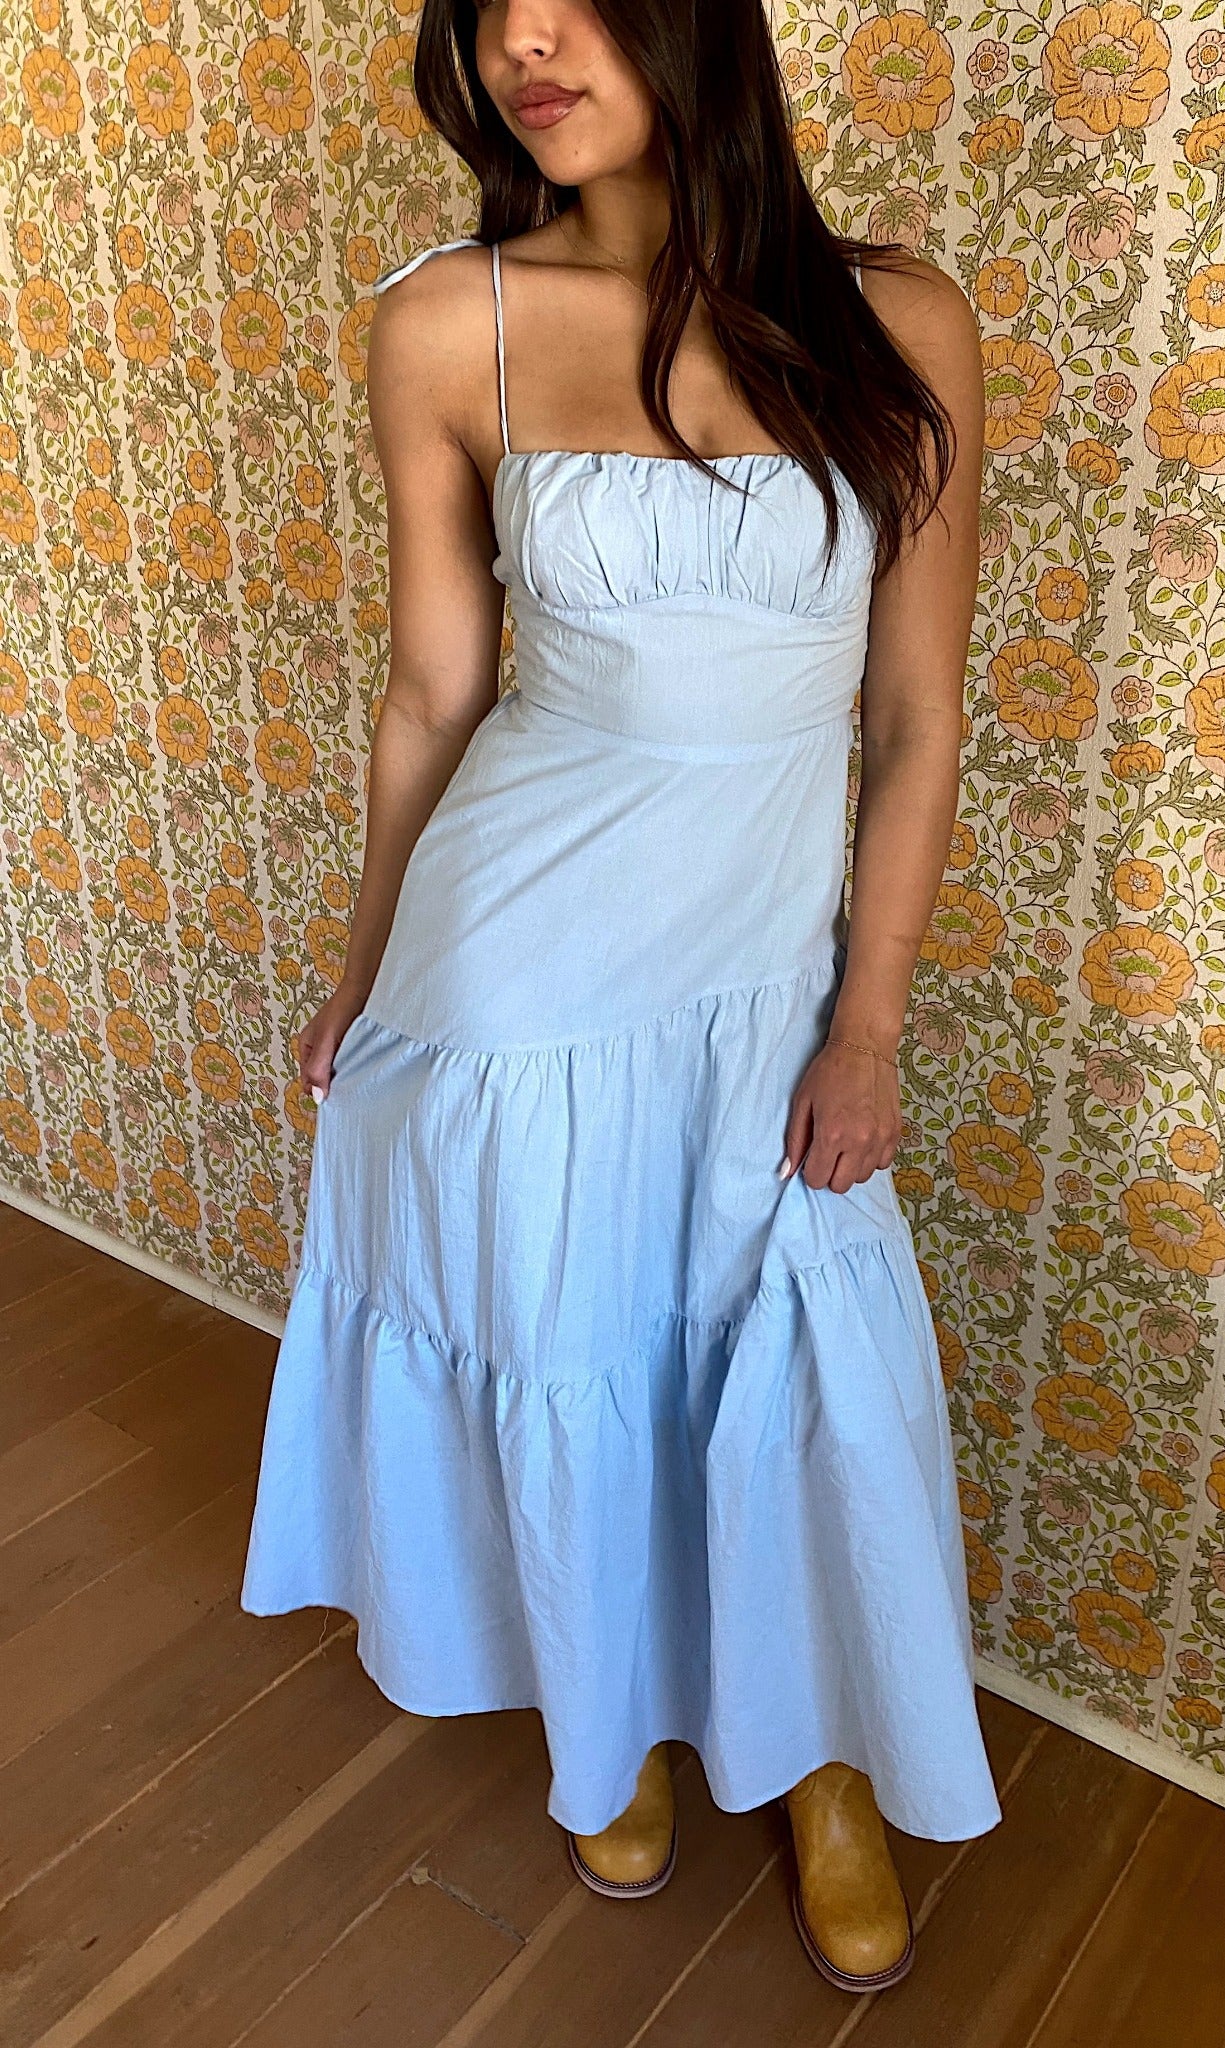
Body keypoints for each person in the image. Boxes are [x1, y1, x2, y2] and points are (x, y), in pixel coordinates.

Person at [241, 0, 1001, 1995]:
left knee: (789, 1367)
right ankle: (623, 1720)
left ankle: (819, 1757)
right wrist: (361, 963)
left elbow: (915, 718)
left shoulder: (898, 320)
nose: (519, 40)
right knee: (572, 1339)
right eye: (488, 9)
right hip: (511, 951)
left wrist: (869, 1020)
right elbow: (433, 694)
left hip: (764, 960)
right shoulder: (444, 325)